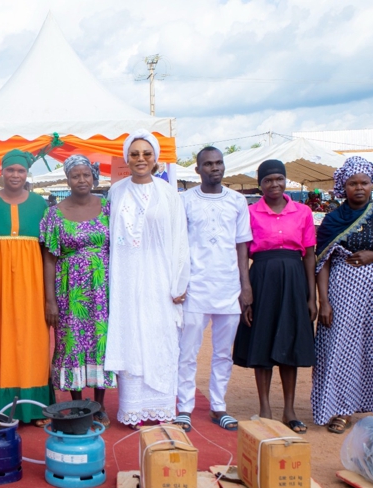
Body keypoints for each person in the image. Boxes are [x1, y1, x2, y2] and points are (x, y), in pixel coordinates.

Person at [313, 157, 373, 436]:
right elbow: (322, 262)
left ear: (372, 184)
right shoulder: (333, 220)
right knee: (342, 348)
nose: (359, 187)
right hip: (342, 293)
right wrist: (325, 301)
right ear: (343, 186)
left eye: (364, 183)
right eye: (352, 183)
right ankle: (341, 410)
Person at [105, 130, 189, 427]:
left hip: (159, 277)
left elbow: (180, 239)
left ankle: (162, 406)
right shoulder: (116, 191)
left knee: (160, 334)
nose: (141, 159)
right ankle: (133, 408)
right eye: (135, 154)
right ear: (127, 158)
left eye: (147, 154)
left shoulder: (168, 193)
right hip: (126, 278)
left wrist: (179, 282)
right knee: (131, 335)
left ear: (155, 158)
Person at [232, 160, 316, 434]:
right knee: (263, 340)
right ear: (260, 184)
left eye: (279, 179)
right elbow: (243, 252)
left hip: (294, 279)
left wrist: (311, 296)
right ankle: (265, 407)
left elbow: (310, 255)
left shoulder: (302, 212)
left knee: (290, 343)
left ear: (286, 180)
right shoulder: (250, 212)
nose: (275, 184)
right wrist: (246, 289)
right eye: (268, 180)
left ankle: (289, 410)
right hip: (262, 279)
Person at [174, 147, 252, 433]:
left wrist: (245, 286)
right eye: (208, 164)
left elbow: (242, 244)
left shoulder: (237, 201)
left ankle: (219, 407)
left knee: (222, 353)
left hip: (228, 288)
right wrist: (179, 284)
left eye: (219, 163)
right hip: (195, 287)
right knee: (188, 351)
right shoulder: (184, 200)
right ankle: (184, 408)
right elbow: (178, 246)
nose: (214, 168)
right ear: (197, 170)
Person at [0, 149, 53, 425]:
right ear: (2, 171)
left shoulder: (40, 205)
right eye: (10, 170)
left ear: (27, 174)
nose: (15, 175)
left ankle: (34, 409)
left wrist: (49, 296)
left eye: (20, 170)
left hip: (32, 288)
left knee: (34, 342)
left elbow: (47, 253)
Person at [40, 155, 113, 427]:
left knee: (101, 341)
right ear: (67, 179)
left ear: (94, 176)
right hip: (69, 290)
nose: (81, 180)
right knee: (71, 342)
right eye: (75, 176)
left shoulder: (108, 207)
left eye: (86, 175)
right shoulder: (54, 213)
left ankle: (100, 404)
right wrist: (50, 300)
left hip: (103, 287)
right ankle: (78, 402)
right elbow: (49, 258)